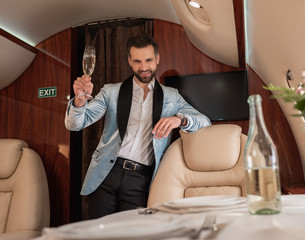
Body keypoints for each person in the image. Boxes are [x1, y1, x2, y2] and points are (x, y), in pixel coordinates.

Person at [65, 34, 211, 219]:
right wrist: (79, 101)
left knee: (132, 234)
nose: (143, 67)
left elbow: (205, 121)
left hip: (141, 180)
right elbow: (75, 124)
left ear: (157, 58)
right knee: (99, 234)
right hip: (106, 175)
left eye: (149, 60)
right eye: (137, 61)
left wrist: (179, 120)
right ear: (129, 61)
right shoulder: (111, 91)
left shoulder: (172, 96)